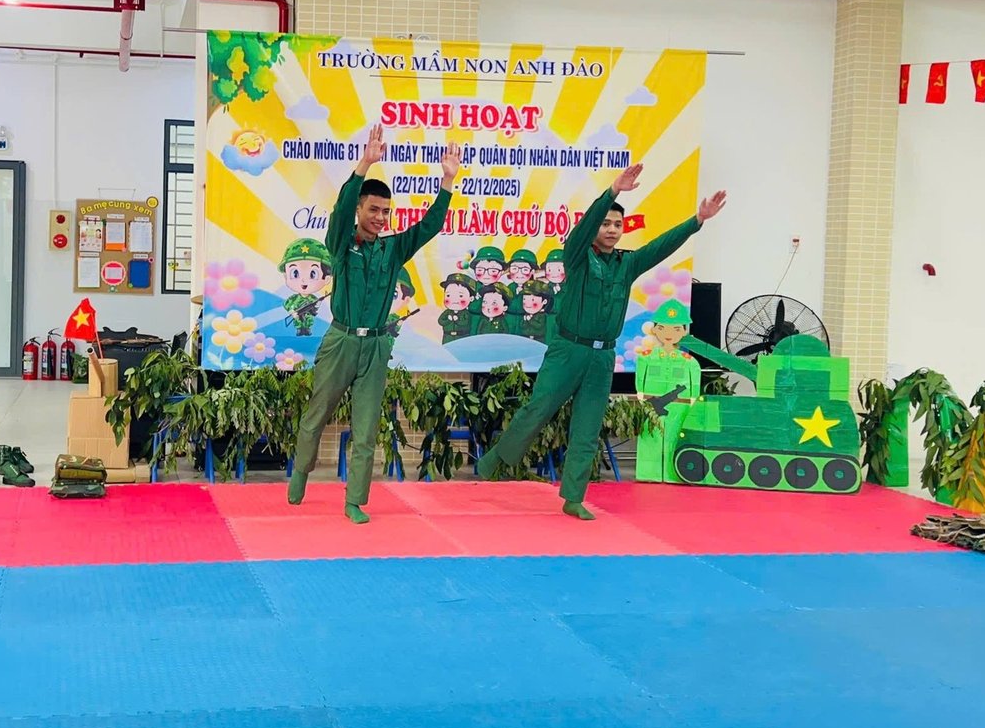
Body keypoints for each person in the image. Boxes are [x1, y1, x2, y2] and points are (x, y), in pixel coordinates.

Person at [476, 163, 727, 519]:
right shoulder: (577, 255)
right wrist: (612, 192)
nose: (611, 229)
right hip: (568, 351)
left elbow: (660, 247)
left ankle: (573, 498)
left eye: (617, 225)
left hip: (602, 357)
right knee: (538, 410)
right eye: (605, 223)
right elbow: (583, 229)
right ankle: (495, 460)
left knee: (588, 427)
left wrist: (697, 220)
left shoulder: (627, 264)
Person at [287, 125, 461, 523]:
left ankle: (354, 501)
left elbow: (429, 226)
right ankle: (301, 472)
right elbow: (341, 209)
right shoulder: (341, 243)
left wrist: (447, 182)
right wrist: (365, 164)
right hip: (341, 342)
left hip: (377, 346)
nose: (380, 218)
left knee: (366, 430)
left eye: (386, 212)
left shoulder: (394, 248)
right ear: (360, 210)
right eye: (373, 210)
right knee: (316, 415)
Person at [633, 296, 704, 484]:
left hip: (680, 407)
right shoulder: (646, 358)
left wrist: (692, 404)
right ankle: (649, 473)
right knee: (650, 437)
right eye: (663, 328)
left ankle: (674, 474)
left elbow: (695, 387)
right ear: (655, 329)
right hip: (651, 404)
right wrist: (642, 398)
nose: (669, 333)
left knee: (675, 438)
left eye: (676, 329)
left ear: (684, 331)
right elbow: (640, 381)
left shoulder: (689, 362)